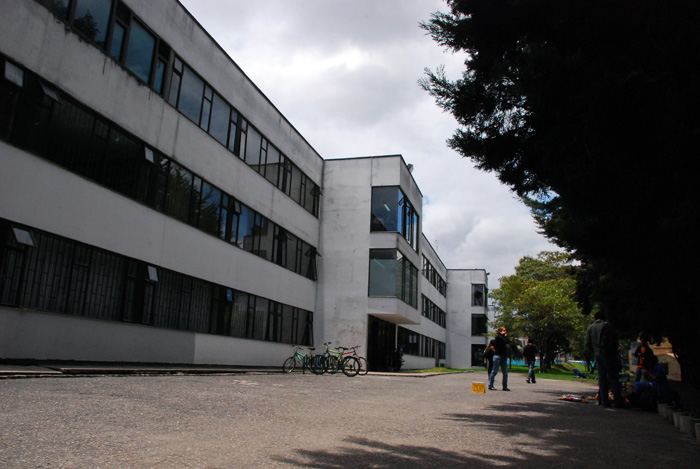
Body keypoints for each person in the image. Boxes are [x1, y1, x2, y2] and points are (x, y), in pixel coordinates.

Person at [585, 312, 622, 407]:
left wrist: (594, 351)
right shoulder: (607, 326)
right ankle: (617, 400)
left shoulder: (590, 327)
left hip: (598, 354)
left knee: (602, 377)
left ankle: (604, 400)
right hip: (609, 354)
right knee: (612, 377)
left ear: (595, 318)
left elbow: (587, 343)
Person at [488, 327, 510, 391]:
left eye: (505, 330)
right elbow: (505, 341)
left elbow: (508, 341)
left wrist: (505, 336)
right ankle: (490, 385)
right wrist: (505, 336)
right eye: (504, 330)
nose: (505, 332)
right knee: (494, 371)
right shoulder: (498, 337)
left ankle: (505, 386)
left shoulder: (503, 337)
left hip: (503, 356)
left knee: (505, 372)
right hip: (498, 356)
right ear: (500, 331)